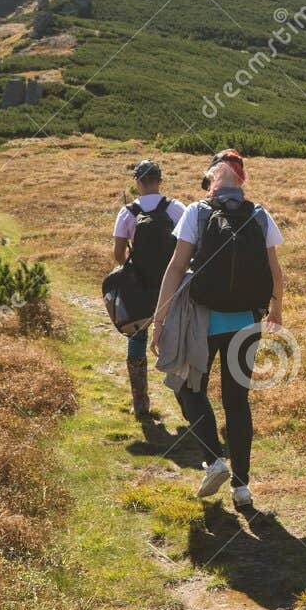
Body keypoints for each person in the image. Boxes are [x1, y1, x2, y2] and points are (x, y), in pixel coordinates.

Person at [151, 150, 284, 508]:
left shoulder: (197, 211)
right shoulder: (259, 214)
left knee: (187, 386)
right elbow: (275, 272)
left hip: (202, 321)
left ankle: (214, 459)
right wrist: (277, 310)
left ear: (210, 180)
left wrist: (159, 320)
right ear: (242, 181)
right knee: (237, 402)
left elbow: (176, 268)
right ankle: (241, 489)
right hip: (246, 323)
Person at [112, 160, 185, 434]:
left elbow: (118, 255)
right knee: (174, 340)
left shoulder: (127, 213)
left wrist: (132, 259)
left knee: (137, 339)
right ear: (160, 180)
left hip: (139, 289)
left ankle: (141, 404)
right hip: (173, 288)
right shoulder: (177, 209)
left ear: (137, 182)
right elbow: (191, 247)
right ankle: (186, 401)